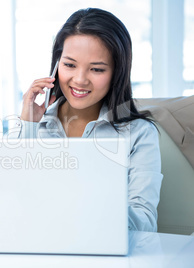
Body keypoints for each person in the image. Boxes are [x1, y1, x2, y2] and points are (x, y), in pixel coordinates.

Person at [16, 8, 163, 232]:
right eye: (69, 65)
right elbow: (10, 201)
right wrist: (28, 126)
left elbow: (144, 223)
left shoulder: (139, 133)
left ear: (117, 72)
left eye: (96, 69)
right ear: (56, 65)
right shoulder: (35, 126)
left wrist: (90, 203)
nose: (80, 80)